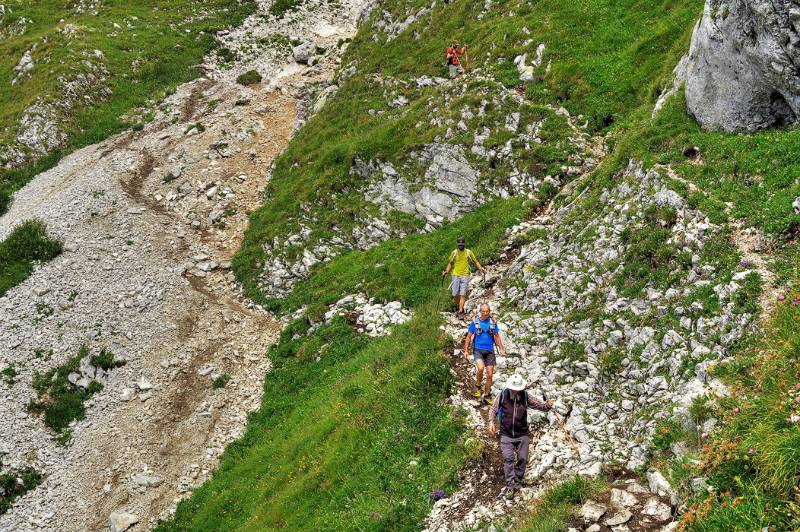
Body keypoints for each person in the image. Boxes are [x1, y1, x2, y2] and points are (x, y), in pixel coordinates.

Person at [488, 373, 553, 499]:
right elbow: (493, 409)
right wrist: (491, 422)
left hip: (522, 433)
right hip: (506, 433)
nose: (516, 391)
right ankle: (510, 486)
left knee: (523, 459)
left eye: (518, 389)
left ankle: (518, 480)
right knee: (508, 458)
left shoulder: (525, 396)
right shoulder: (502, 395)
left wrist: (547, 406)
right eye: (514, 389)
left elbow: (539, 405)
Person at [463, 303, 504, 403]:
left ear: (489, 312)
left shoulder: (493, 323)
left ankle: (487, 394)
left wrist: (501, 348)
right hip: (478, 350)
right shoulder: (475, 322)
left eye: (487, 311)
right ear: (480, 312)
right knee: (480, 368)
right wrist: (466, 350)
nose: (485, 313)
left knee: (490, 374)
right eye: (483, 311)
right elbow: (468, 337)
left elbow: (497, 336)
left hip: (490, 350)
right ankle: (477, 386)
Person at [442, 237, 484, 316]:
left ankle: (461, 311)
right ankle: (460, 307)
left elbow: (475, 261)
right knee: (454, 294)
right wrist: (446, 271)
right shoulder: (454, 253)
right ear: (457, 244)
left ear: (464, 244)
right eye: (459, 244)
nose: (460, 246)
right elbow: (450, 263)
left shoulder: (468, 252)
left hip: (465, 275)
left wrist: (481, 269)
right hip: (455, 275)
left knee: (463, 294)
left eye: (462, 244)